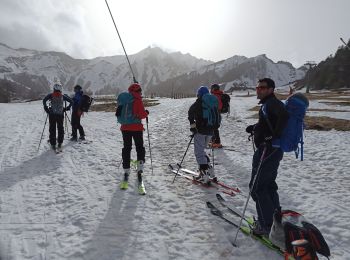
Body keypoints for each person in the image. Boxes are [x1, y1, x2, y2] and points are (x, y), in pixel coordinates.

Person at [245, 78, 289, 236]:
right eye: (257, 87)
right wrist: (256, 128)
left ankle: (267, 226)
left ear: (271, 89)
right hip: (272, 150)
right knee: (268, 185)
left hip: (268, 150)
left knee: (257, 188)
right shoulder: (268, 104)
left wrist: (272, 136)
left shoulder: (272, 103)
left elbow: (283, 116)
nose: (259, 90)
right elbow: (271, 122)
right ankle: (275, 221)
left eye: (262, 87)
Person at [117, 83, 149, 194]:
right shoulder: (137, 99)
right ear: (137, 90)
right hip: (136, 128)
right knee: (139, 147)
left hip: (125, 128)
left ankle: (126, 170)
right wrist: (146, 113)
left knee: (127, 148)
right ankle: (139, 169)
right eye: (140, 90)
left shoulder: (124, 99)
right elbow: (141, 114)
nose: (141, 92)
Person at [188, 86, 220, 184]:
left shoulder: (199, 102)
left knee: (199, 152)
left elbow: (190, 112)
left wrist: (193, 126)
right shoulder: (213, 101)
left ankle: (204, 174)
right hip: (211, 131)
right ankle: (210, 170)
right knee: (202, 151)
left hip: (200, 131)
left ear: (199, 94)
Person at [43, 82, 73, 151]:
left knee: (52, 129)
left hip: (52, 115)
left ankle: (53, 144)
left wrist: (46, 108)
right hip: (60, 115)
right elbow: (71, 101)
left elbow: (44, 100)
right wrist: (67, 108)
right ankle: (60, 143)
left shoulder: (51, 95)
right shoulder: (63, 96)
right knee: (60, 129)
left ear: (54, 89)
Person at [210, 83, 223, 148]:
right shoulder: (219, 95)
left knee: (214, 128)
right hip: (218, 114)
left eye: (211, 88)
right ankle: (214, 140)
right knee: (214, 128)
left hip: (215, 114)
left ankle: (216, 142)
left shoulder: (215, 95)